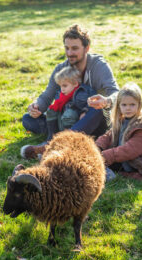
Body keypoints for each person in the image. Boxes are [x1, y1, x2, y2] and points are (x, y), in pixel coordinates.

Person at [21, 24, 119, 159]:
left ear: (87, 48)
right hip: (66, 118)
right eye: (67, 48)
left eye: (74, 48)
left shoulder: (98, 65)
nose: (69, 53)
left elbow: (116, 93)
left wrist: (106, 101)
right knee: (27, 119)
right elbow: (47, 96)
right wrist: (36, 106)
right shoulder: (61, 68)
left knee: (98, 109)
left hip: (92, 120)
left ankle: (54, 146)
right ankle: (65, 137)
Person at [95, 83, 142, 180]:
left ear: (139, 105)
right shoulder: (122, 120)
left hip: (135, 165)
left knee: (98, 168)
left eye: (132, 104)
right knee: (92, 160)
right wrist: (96, 147)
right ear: (119, 106)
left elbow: (130, 150)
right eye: (124, 105)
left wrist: (105, 156)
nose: (128, 108)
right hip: (120, 159)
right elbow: (109, 136)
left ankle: (105, 173)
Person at [45, 66, 96, 141]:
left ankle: (67, 138)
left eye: (65, 86)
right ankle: (52, 136)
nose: (62, 89)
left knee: (69, 113)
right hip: (62, 121)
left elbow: (91, 101)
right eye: (60, 86)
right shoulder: (62, 94)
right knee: (51, 110)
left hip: (75, 122)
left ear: (75, 83)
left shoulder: (83, 91)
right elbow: (57, 105)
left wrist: (85, 111)